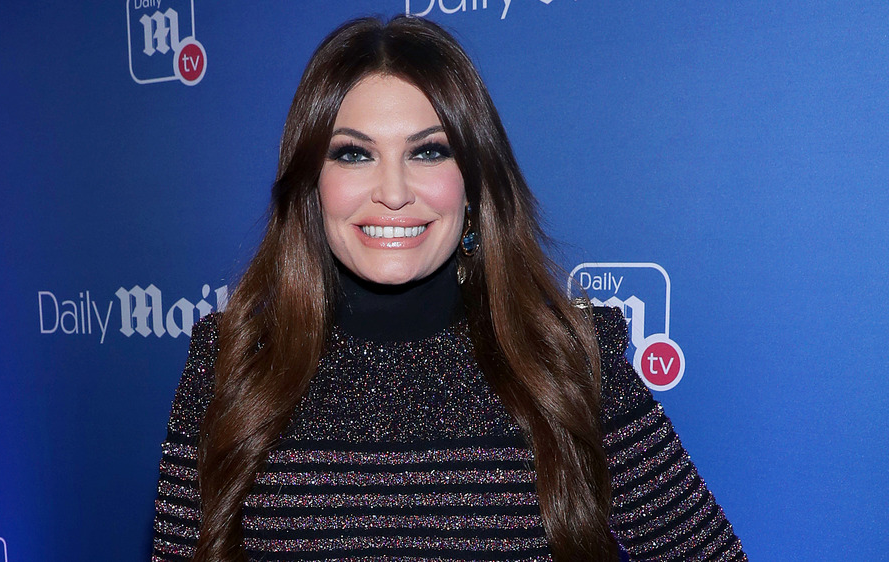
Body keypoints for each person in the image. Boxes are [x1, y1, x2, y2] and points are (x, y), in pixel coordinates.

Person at [152, 15, 747, 562]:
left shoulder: (564, 358)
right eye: (354, 154)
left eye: (429, 151)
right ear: (312, 182)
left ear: (475, 181)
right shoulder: (234, 360)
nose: (392, 190)